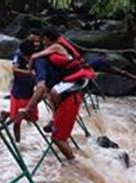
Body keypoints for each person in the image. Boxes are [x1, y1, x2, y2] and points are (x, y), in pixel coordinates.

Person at [23, 28, 95, 160]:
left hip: (73, 84)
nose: (43, 42)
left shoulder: (55, 47)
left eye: (44, 40)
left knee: (58, 138)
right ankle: (55, 119)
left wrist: (28, 108)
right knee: (51, 93)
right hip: (72, 83)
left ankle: (75, 165)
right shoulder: (52, 52)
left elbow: (40, 86)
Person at [2, 40, 38, 142]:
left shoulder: (35, 56)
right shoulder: (18, 55)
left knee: (34, 118)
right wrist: (29, 73)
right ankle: (17, 142)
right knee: (16, 122)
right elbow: (14, 70)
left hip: (29, 92)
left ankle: (7, 113)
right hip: (17, 92)